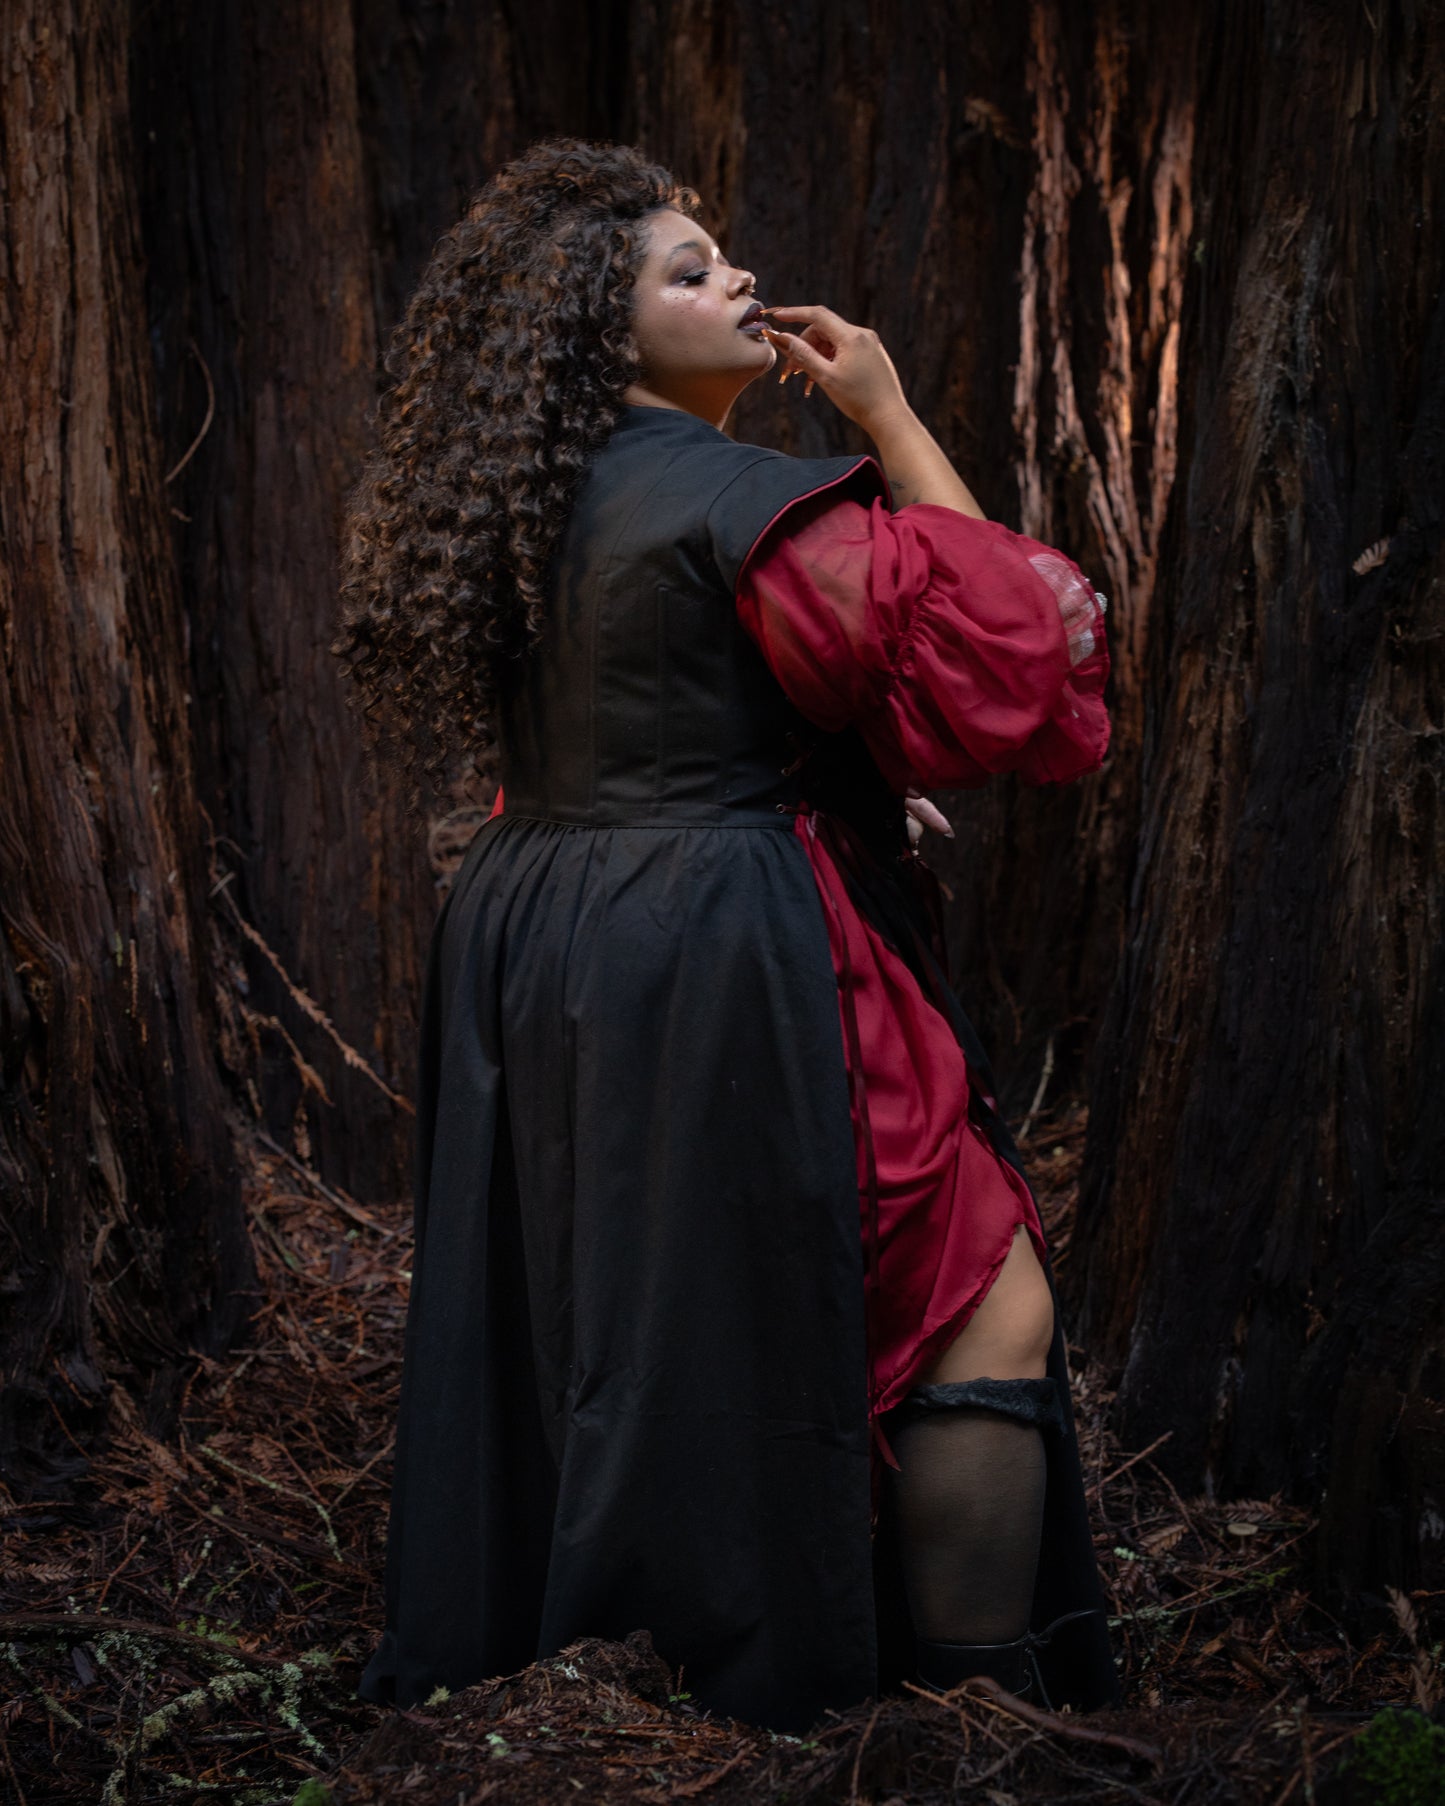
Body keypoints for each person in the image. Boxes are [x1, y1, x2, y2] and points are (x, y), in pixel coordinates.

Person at [334, 136, 1121, 1735]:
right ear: (592, 333)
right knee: (979, 1275)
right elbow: (1017, 656)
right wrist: (887, 415)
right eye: (687, 273)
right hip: (721, 948)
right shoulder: (745, 496)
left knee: (636, 1298)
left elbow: (632, 709)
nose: (738, 280)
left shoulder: (515, 502)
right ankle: (978, 1719)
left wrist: (823, 782)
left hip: (545, 935)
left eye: (725, 256)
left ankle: (649, 1652)